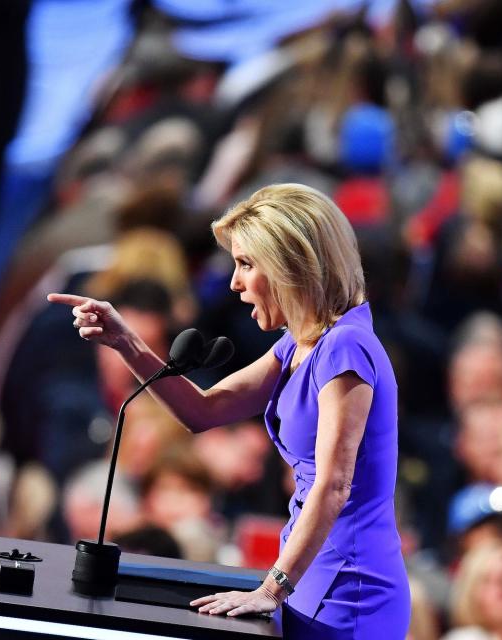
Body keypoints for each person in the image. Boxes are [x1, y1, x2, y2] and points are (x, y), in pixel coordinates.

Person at [48, 183, 410, 637]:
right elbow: (202, 410)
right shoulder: (298, 346)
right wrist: (126, 342)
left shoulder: (346, 347)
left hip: (350, 588)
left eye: (245, 264)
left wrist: (272, 589)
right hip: (308, 574)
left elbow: (334, 485)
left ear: (289, 266)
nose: (235, 283)